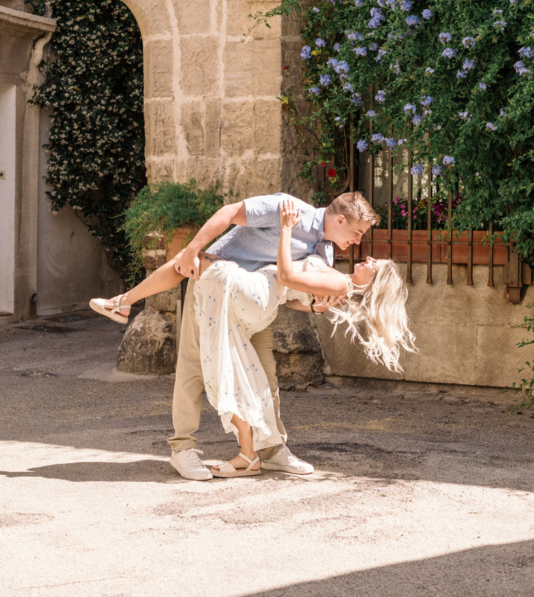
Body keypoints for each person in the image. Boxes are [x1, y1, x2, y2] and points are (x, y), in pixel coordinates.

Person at [90, 191, 379, 480]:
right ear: (340, 219)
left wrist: (314, 308)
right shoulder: (288, 209)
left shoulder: (324, 252)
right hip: (213, 289)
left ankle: (271, 451)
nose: (358, 241)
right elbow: (228, 212)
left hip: (254, 304)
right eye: (357, 232)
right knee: (194, 368)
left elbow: (289, 291)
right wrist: (193, 249)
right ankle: (182, 450)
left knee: (267, 377)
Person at [195, 198, 414, 476]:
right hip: (246, 293)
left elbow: (287, 281)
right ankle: (246, 452)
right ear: (341, 221)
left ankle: (257, 453)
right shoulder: (319, 250)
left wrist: (287, 230)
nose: (362, 248)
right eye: (358, 233)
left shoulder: (335, 277)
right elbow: (291, 291)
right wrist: (316, 304)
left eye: (373, 263)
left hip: (250, 298)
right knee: (243, 376)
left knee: (246, 376)